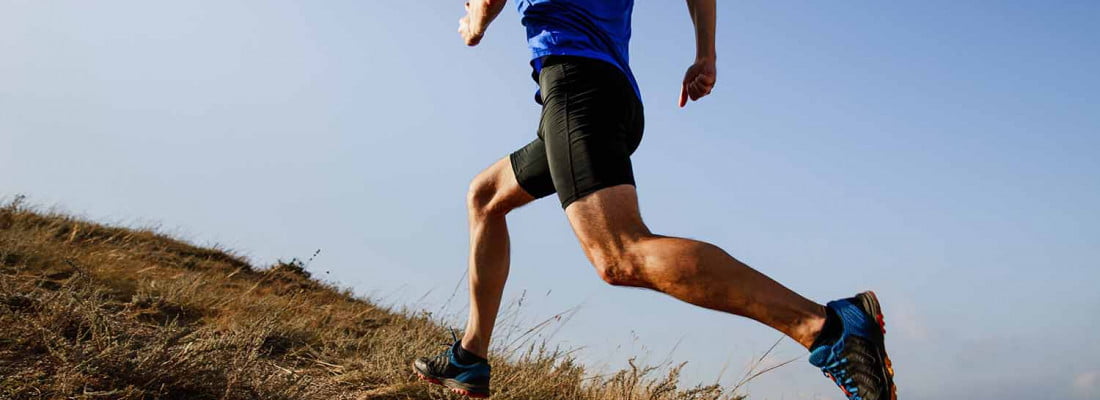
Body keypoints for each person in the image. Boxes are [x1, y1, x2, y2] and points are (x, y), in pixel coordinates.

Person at [412, 1, 896, 399]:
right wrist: (706, 55)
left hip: (577, 87)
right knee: (485, 196)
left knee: (618, 255)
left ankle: (828, 328)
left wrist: (476, 18)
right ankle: (471, 357)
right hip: (610, 94)